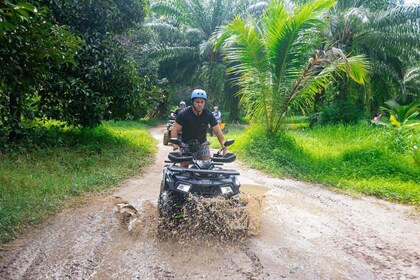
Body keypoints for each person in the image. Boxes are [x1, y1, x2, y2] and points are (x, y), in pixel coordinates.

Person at [171, 89, 228, 166]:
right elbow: (174, 130)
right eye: (197, 102)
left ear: (205, 103)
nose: (200, 104)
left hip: (202, 144)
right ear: (193, 102)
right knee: (184, 169)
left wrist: (224, 147)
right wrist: (175, 147)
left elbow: (218, 132)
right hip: (186, 144)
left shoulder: (208, 115)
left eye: (202, 102)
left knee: (206, 166)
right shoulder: (183, 114)